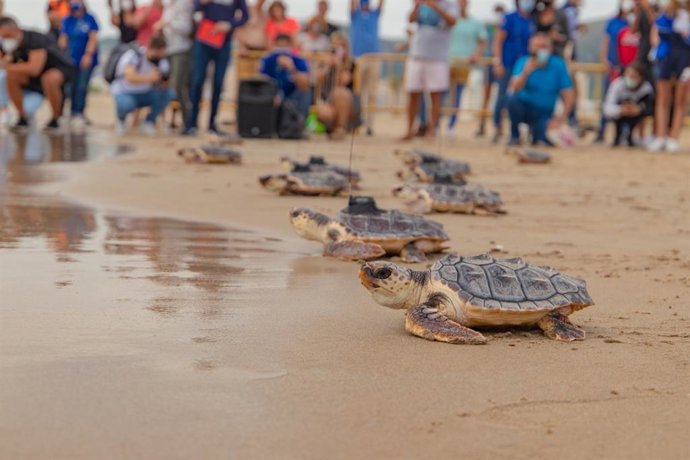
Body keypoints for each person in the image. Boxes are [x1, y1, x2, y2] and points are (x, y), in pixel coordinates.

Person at [183, 0, 249, 136]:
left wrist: (230, 24)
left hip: (224, 43)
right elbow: (194, 9)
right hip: (204, 40)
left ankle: (212, 123)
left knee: (218, 83)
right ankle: (192, 123)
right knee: (197, 80)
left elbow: (245, 16)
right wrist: (202, 3)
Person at [0, 16, 75, 130]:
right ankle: (22, 117)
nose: (6, 40)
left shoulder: (35, 39)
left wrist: (6, 65)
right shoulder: (10, 46)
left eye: (8, 36)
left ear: (18, 30)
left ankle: (55, 119)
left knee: (49, 78)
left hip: (58, 69)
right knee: (11, 76)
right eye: (3, 37)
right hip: (36, 79)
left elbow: (34, 69)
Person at [506, 33, 574, 146]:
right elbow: (514, 88)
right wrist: (526, 72)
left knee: (544, 140)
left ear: (551, 49)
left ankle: (536, 134)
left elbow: (568, 94)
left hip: (545, 113)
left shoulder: (558, 64)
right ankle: (514, 136)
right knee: (512, 99)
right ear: (530, 48)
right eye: (537, 46)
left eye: (544, 47)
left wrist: (561, 119)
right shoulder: (523, 62)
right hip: (525, 107)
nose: (540, 50)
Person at [110, 34, 174, 135]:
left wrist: (163, 80)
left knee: (169, 93)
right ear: (152, 48)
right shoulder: (135, 55)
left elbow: (166, 83)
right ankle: (121, 120)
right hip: (125, 91)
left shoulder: (162, 61)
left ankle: (148, 122)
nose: (159, 57)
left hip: (145, 93)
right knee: (126, 105)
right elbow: (129, 77)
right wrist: (150, 78)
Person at [648, 0, 690, 153]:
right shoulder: (664, 14)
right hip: (665, 57)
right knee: (662, 98)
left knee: (680, 99)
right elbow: (656, 33)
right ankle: (660, 136)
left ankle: (674, 137)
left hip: (684, 58)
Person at [491, 0, 534, 144]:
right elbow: (498, 39)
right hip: (508, 63)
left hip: (524, 66)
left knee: (521, 97)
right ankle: (497, 128)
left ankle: (517, 131)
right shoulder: (509, 18)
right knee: (502, 96)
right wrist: (497, 61)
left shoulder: (533, 19)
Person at [447, 0, 487, 133]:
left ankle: (451, 125)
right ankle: (434, 125)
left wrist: (476, 54)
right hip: (446, 62)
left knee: (457, 95)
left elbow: (483, 41)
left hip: (464, 64)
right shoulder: (448, 19)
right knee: (441, 93)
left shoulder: (475, 23)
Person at [58, 0, 99, 127]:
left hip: (85, 59)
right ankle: (68, 112)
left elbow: (93, 38)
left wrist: (88, 55)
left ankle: (79, 112)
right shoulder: (67, 20)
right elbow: (63, 39)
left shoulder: (90, 18)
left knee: (81, 87)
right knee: (69, 87)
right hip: (70, 59)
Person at [154, 0, 194, 129]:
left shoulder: (184, 4)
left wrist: (168, 23)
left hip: (181, 50)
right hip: (168, 50)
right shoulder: (168, 6)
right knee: (164, 85)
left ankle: (188, 122)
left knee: (178, 87)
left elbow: (186, 28)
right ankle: (162, 120)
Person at [595, 3, 629, 143]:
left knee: (625, 98)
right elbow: (606, 41)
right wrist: (604, 59)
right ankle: (601, 131)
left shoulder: (633, 21)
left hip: (627, 68)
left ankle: (622, 134)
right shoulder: (613, 22)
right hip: (612, 66)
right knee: (607, 98)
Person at [314, 32, 358, 140]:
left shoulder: (351, 64)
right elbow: (317, 79)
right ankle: (333, 129)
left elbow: (343, 82)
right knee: (325, 113)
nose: (338, 49)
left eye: (341, 46)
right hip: (327, 102)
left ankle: (341, 128)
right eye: (335, 46)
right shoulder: (324, 62)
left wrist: (339, 66)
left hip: (347, 103)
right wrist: (328, 66)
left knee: (339, 92)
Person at [350, 0, 383, 135]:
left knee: (372, 93)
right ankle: (357, 122)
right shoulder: (356, 14)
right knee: (358, 92)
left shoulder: (375, 14)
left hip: (373, 57)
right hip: (358, 58)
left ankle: (370, 124)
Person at [259, 33, 311, 117]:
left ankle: (298, 121)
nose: (282, 50)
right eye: (279, 46)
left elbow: (305, 85)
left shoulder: (299, 60)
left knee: (305, 92)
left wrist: (292, 69)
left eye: (285, 46)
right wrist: (273, 95)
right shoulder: (267, 60)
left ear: (290, 46)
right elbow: (261, 80)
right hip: (272, 97)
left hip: (292, 98)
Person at [602, 63, 654, 147]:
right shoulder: (617, 85)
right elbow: (607, 108)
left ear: (641, 77)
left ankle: (638, 137)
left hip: (636, 117)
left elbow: (650, 107)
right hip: (619, 114)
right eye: (628, 75)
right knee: (614, 115)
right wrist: (621, 110)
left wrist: (639, 109)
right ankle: (618, 136)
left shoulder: (646, 89)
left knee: (642, 114)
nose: (630, 78)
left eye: (633, 76)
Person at [476, 3, 504, 137]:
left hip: (499, 63)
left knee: (500, 97)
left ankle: (498, 127)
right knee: (487, 96)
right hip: (490, 63)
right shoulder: (489, 26)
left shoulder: (502, 26)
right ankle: (482, 124)